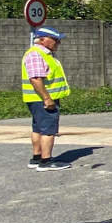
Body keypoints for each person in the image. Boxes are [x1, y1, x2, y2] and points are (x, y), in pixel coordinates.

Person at [22, 27, 72, 171]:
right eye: (55, 40)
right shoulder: (37, 54)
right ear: (42, 39)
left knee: (38, 128)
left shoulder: (44, 54)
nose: (58, 43)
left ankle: (37, 158)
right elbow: (36, 79)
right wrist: (47, 99)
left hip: (37, 99)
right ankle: (46, 161)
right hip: (43, 99)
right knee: (48, 130)